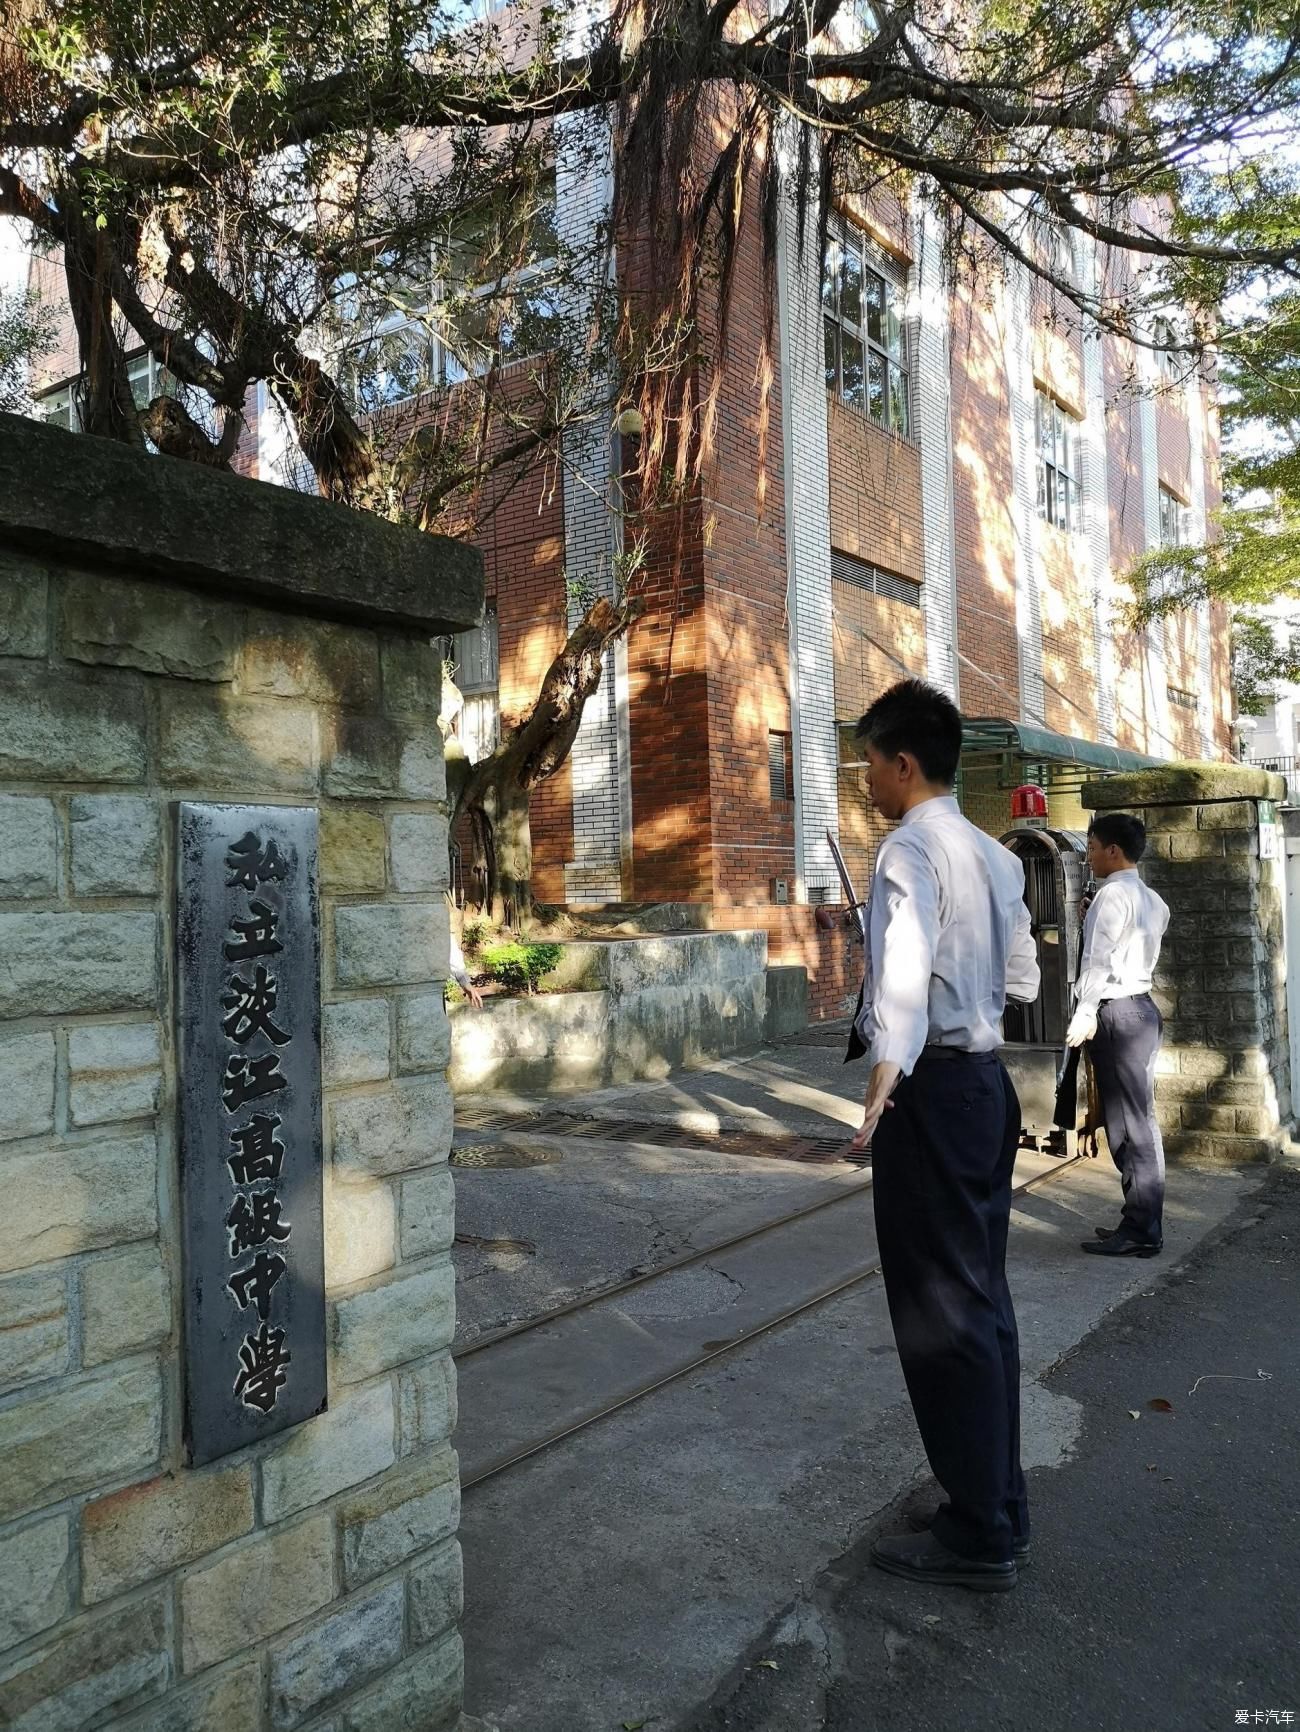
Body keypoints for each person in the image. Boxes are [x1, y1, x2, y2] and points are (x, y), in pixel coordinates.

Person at [846, 679, 1040, 1593]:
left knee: (941, 1309)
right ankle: (998, 1497)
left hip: (932, 1093)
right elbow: (1025, 979)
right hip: (987, 1088)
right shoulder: (996, 857)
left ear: (903, 763)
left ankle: (978, 1530)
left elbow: (905, 973)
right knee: (983, 1296)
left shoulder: (908, 849)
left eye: (870, 765)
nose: (866, 781)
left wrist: (886, 1076)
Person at [1066, 813, 1170, 1257]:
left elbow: (1099, 961)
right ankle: (1140, 1221)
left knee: (1129, 1126)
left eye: (1091, 847)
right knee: (1138, 1120)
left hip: (1117, 1012)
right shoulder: (1153, 900)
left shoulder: (1112, 897)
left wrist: (1086, 1010)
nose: (1087, 857)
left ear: (1112, 850)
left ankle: (1142, 1229)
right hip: (1142, 1008)